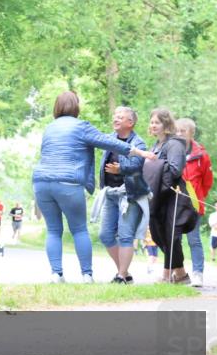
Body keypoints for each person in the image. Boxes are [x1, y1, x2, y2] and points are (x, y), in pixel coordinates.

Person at [31, 92, 154, 283]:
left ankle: (56, 274)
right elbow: (111, 142)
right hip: (68, 183)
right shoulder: (81, 127)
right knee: (79, 229)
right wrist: (139, 152)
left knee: (54, 230)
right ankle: (87, 275)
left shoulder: (49, 128)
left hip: (41, 182)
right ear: (76, 107)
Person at [144, 108, 197, 283]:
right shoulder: (156, 145)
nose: (153, 125)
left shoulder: (174, 144)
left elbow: (175, 170)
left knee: (171, 235)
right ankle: (180, 273)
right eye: (152, 122)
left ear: (166, 124)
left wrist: (153, 164)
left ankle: (169, 275)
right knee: (159, 234)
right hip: (158, 195)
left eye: (157, 122)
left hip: (173, 195)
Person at [97, 106, 149, 284]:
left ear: (130, 123)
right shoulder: (110, 138)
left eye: (121, 117)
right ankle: (125, 273)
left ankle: (121, 276)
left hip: (129, 195)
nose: (116, 118)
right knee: (105, 235)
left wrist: (121, 168)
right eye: (115, 116)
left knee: (126, 236)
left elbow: (137, 164)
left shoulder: (139, 143)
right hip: (110, 194)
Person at [177, 118, 213, 287]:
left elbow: (207, 182)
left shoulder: (201, 156)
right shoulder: (171, 150)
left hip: (194, 203)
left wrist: (197, 196)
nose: (179, 134)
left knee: (194, 239)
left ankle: (198, 274)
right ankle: (176, 273)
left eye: (182, 131)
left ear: (191, 133)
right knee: (173, 239)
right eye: (176, 131)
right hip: (174, 203)